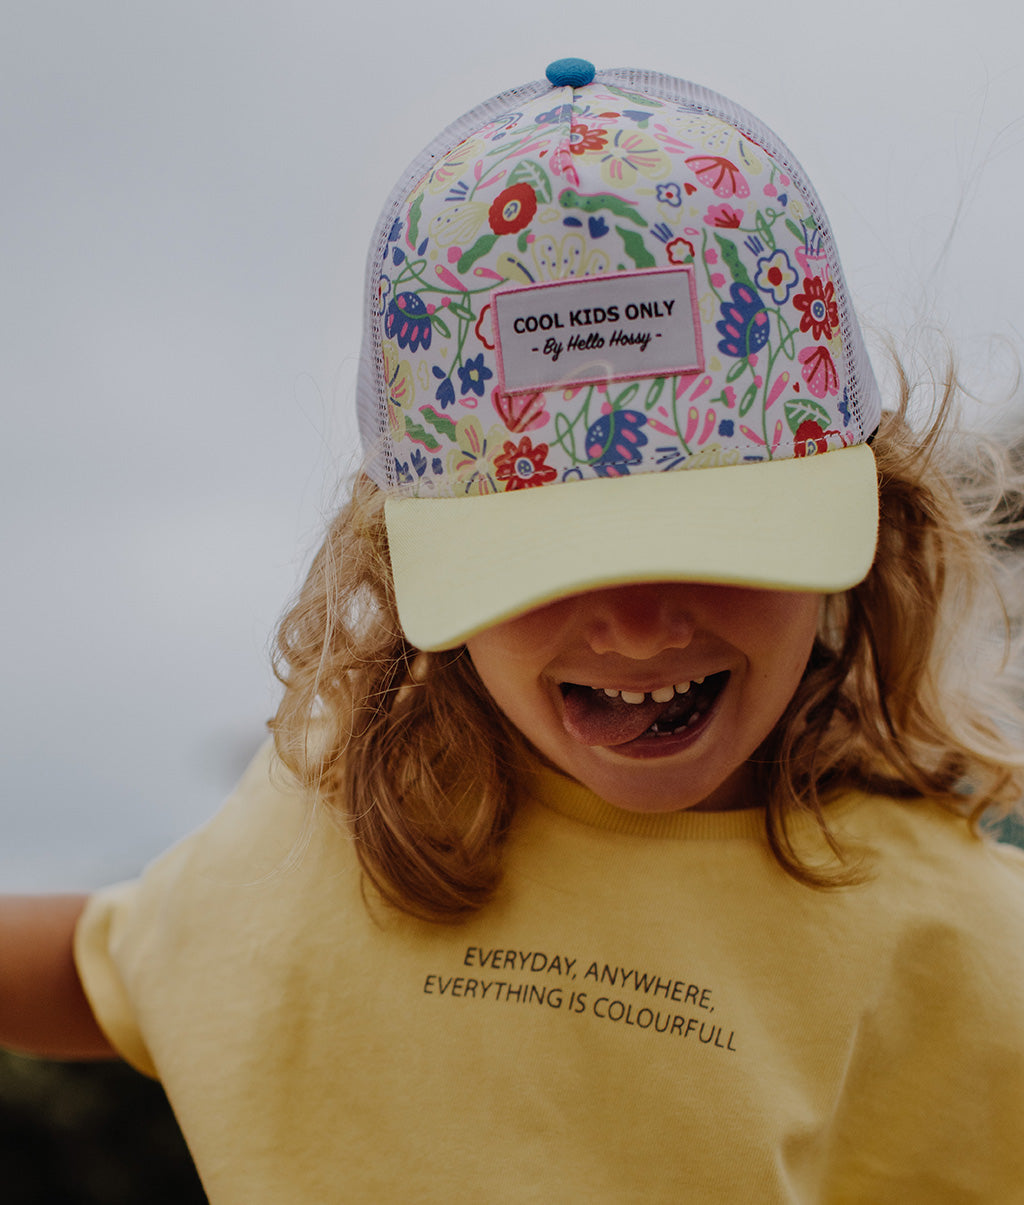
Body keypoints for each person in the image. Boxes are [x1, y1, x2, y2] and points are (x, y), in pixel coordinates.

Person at [3, 58, 1024, 1202]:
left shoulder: (959, 942)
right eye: (551, 559)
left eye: (721, 539)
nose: (638, 628)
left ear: (870, 522)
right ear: (403, 567)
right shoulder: (320, 840)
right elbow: (109, 966)